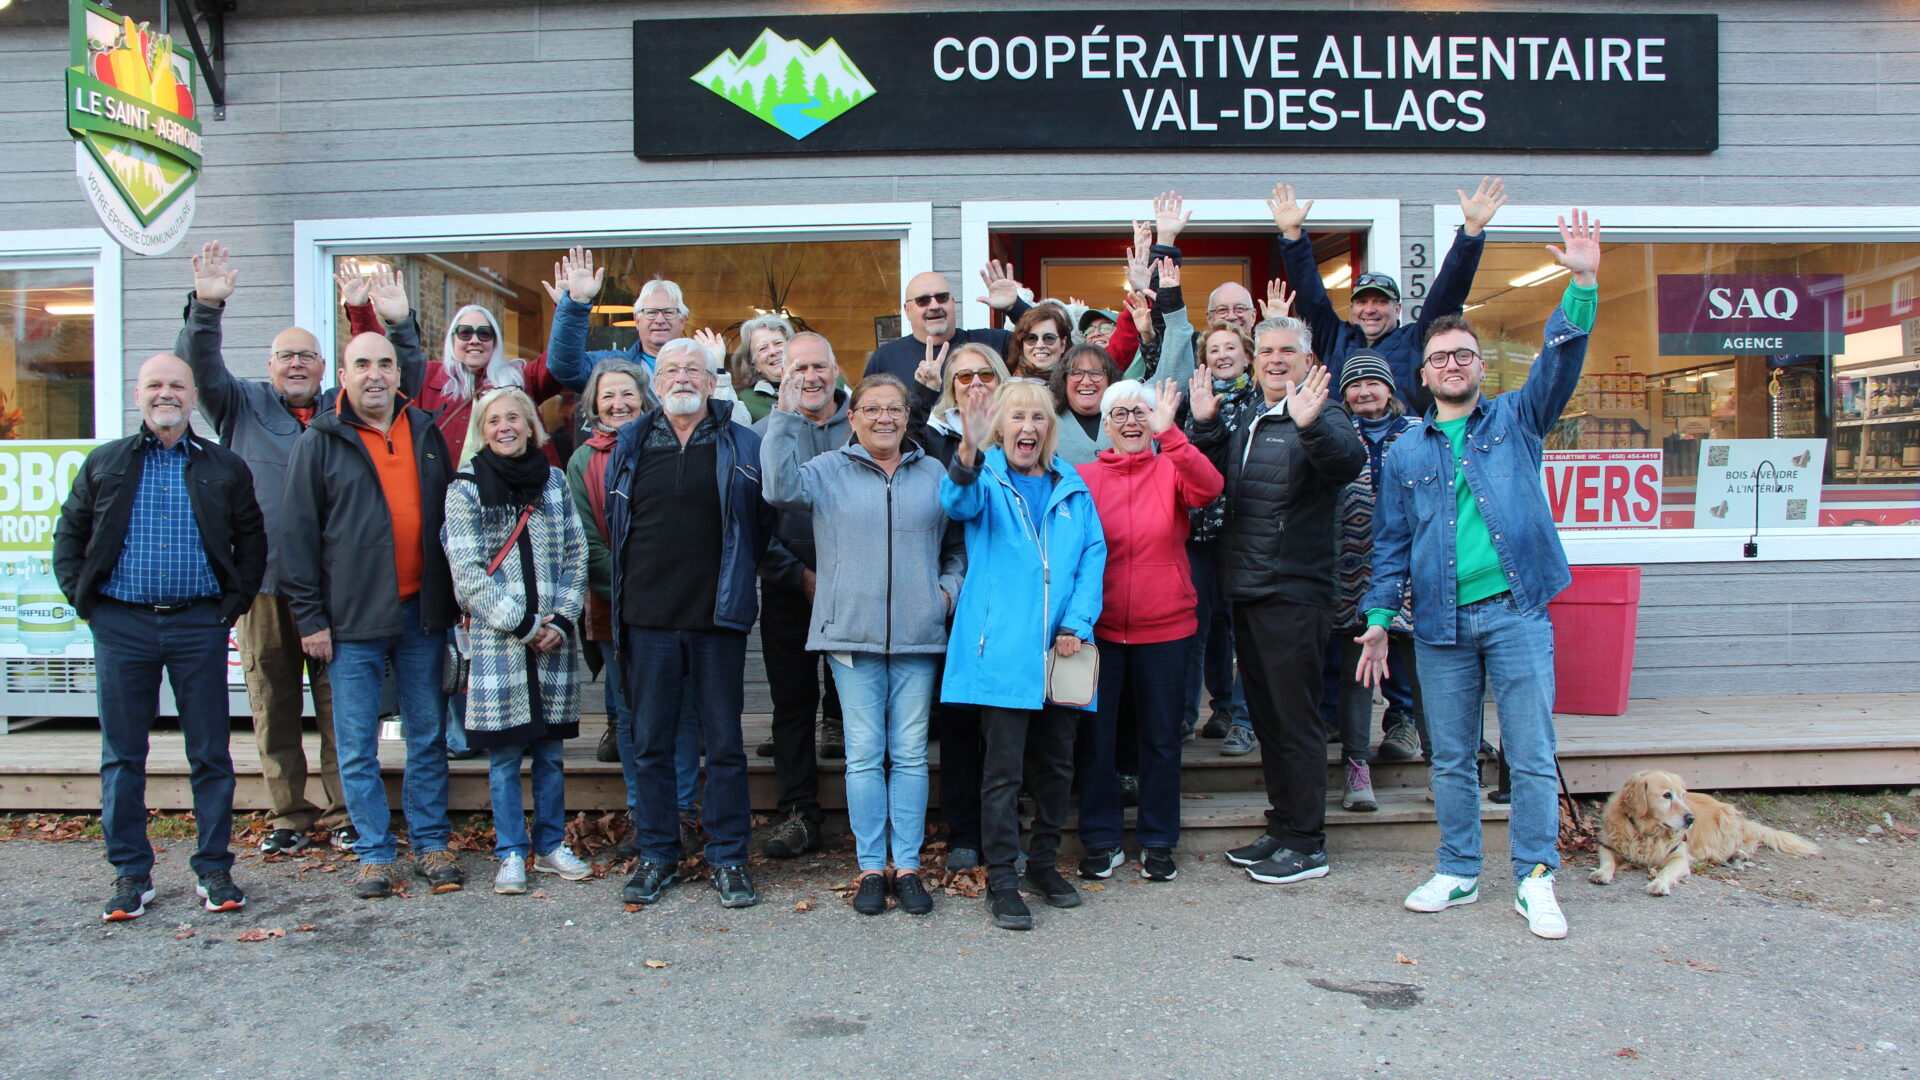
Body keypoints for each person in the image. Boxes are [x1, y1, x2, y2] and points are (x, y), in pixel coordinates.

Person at [1359, 209, 1603, 941]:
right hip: (1439, 623)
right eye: (1443, 359)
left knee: (1530, 752)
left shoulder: (1517, 421)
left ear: (1480, 366)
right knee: (1454, 756)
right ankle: (1460, 869)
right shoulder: (1404, 454)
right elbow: (1390, 547)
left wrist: (1583, 282)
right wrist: (1376, 620)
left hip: (1516, 611)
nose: (1455, 366)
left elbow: (1559, 357)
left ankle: (1535, 877)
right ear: (1423, 374)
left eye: (1466, 355)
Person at [174, 242, 424, 856]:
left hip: (336, 589)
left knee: (342, 706)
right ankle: (290, 814)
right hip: (263, 585)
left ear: (326, 368)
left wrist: (393, 322)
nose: (296, 364)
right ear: (270, 363)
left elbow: (400, 376)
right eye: (286, 356)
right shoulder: (241, 405)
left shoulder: (345, 414)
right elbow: (199, 367)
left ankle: (345, 810)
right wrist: (206, 308)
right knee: (273, 700)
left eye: (308, 356)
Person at [54, 354, 267, 922]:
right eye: (155, 385)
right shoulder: (107, 463)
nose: (165, 394)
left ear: (194, 396)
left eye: (176, 385)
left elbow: (252, 543)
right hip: (121, 625)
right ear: (138, 394)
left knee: (210, 752)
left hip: (198, 622)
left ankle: (214, 867)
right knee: (123, 754)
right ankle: (130, 875)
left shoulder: (223, 466)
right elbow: (69, 535)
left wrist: (231, 606)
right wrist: (88, 603)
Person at [763, 373, 964, 916]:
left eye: (893, 408)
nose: (883, 418)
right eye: (871, 409)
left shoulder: (933, 473)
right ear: (851, 419)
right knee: (863, 757)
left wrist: (946, 594)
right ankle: (872, 866)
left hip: (919, 637)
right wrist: (784, 415)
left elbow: (956, 545)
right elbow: (777, 488)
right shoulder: (827, 471)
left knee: (910, 756)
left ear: (907, 416)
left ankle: (910, 866)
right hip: (851, 636)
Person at [280, 331, 463, 900]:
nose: (376, 374)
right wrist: (310, 619)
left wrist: (455, 602)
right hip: (351, 620)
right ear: (345, 372)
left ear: (399, 373)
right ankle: (375, 853)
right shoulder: (321, 438)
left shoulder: (426, 431)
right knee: (357, 742)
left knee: (428, 735)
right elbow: (297, 535)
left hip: (421, 614)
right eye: (363, 364)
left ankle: (432, 844)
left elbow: (450, 518)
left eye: (386, 363)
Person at [1189, 316, 1365, 886]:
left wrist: (1310, 425)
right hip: (1247, 587)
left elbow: (1346, 462)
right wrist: (1208, 426)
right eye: (1265, 350)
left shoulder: (1322, 409)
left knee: (1295, 720)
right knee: (1268, 719)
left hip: (1293, 590)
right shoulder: (1249, 413)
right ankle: (1283, 826)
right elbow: (1214, 481)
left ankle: (1306, 842)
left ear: (1307, 359)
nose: (1274, 358)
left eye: (1287, 350)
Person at [606, 338, 773, 910]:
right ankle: (657, 854)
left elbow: (762, 525)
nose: (681, 378)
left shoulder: (742, 443)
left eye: (692, 370)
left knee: (724, 744)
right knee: (650, 744)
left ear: (711, 381)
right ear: (656, 383)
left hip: (716, 620)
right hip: (646, 621)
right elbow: (615, 533)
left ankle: (728, 857)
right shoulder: (628, 445)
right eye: (671, 370)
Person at [941, 379, 1106, 931]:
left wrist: (1077, 624)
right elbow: (955, 500)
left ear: (1050, 429)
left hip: (1062, 650)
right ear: (1000, 428)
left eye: (1038, 418)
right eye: (1016, 418)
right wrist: (966, 448)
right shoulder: (984, 479)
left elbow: (1092, 555)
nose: (1027, 428)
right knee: (1003, 772)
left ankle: (1042, 865)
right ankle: (1004, 880)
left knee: (1058, 766)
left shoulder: (1073, 487)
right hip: (1001, 652)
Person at [443, 388, 592, 894]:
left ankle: (550, 844)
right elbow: (466, 574)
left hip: (553, 642)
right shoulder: (463, 489)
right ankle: (510, 851)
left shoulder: (553, 482)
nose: (505, 427)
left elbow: (577, 554)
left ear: (530, 426)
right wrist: (523, 623)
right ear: (481, 430)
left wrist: (563, 619)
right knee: (505, 758)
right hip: (500, 645)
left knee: (550, 754)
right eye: (494, 421)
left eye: (515, 418)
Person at [1073, 379, 1222, 883]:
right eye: (1120, 414)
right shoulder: (1083, 476)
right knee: (1097, 738)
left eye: (1141, 413)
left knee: (1161, 738)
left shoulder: (1172, 467)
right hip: (1100, 629)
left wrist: (1173, 436)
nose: (1131, 422)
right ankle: (1101, 839)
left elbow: (1210, 488)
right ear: (1106, 425)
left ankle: (1158, 840)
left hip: (1166, 627)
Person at [566, 360, 701, 854]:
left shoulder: (665, 445)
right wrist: (626, 588)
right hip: (614, 606)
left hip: (673, 602)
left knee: (681, 710)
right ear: (594, 406)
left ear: (644, 398)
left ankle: (683, 811)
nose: (618, 403)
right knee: (629, 714)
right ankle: (645, 811)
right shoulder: (582, 461)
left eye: (627, 394)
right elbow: (583, 538)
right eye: (608, 397)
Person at [1269, 177, 1506, 408]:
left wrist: (1471, 233)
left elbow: (1448, 294)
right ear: (1352, 308)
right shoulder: (1335, 338)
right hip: (1342, 445)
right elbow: (1312, 297)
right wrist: (1292, 235)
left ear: (1398, 308)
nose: (1370, 309)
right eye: (1362, 302)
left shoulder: (1417, 339)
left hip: (1400, 447)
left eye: (1381, 301)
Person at [904, 341, 1007, 871]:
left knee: (1010, 721)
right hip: (951, 592)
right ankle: (964, 828)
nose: (974, 383)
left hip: (1008, 596)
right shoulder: (931, 438)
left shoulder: (1024, 428)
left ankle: (1005, 821)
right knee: (962, 722)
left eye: (984, 373)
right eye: (962, 376)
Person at [750, 332, 850, 859]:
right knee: (792, 703)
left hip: (855, 590)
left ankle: (868, 818)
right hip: (788, 588)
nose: (810, 378)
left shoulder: (863, 426)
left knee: (856, 705)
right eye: (798, 370)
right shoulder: (763, 434)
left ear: (835, 370)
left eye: (819, 367)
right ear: (780, 377)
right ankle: (798, 812)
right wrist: (796, 575)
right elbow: (752, 523)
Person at [1329, 351, 1426, 814]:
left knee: (1425, 673)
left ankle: (1442, 767)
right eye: (1354, 384)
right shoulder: (1334, 431)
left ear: (1390, 388)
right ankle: (1356, 767)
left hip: (1416, 569)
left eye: (1373, 382)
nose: (1364, 391)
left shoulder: (1419, 431)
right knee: (1356, 675)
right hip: (1350, 571)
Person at [1183, 322, 1260, 754]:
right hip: (1197, 530)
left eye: (1231, 347)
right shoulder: (1194, 399)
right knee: (1197, 625)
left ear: (1247, 355)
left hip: (1244, 531)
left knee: (1238, 625)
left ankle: (1235, 714)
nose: (1223, 354)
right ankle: (1186, 715)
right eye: (1214, 349)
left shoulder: (1259, 398)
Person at [1050, 260, 1196, 465]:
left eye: (1096, 372)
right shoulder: (1047, 420)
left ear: (1111, 378)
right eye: (1076, 372)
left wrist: (1173, 309)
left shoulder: (1138, 405)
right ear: (1063, 379)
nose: (1086, 381)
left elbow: (1175, 375)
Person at [862, 262, 1031, 385]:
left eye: (942, 298)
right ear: (907, 310)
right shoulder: (885, 359)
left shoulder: (993, 342)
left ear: (953, 302)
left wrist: (1015, 307)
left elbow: (1050, 344)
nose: (934, 306)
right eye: (923, 301)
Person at [733, 313, 795, 422]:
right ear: (755, 365)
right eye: (762, 348)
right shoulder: (746, 401)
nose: (773, 351)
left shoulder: (820, 385)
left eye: (778, 343)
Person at [1005, 303, 1074, 380]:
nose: (1040, 345)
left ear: (1063, 344)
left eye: (1049, 338)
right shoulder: (1006, 385)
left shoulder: (1078, 385)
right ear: (1022, 344)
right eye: (1031, 338)